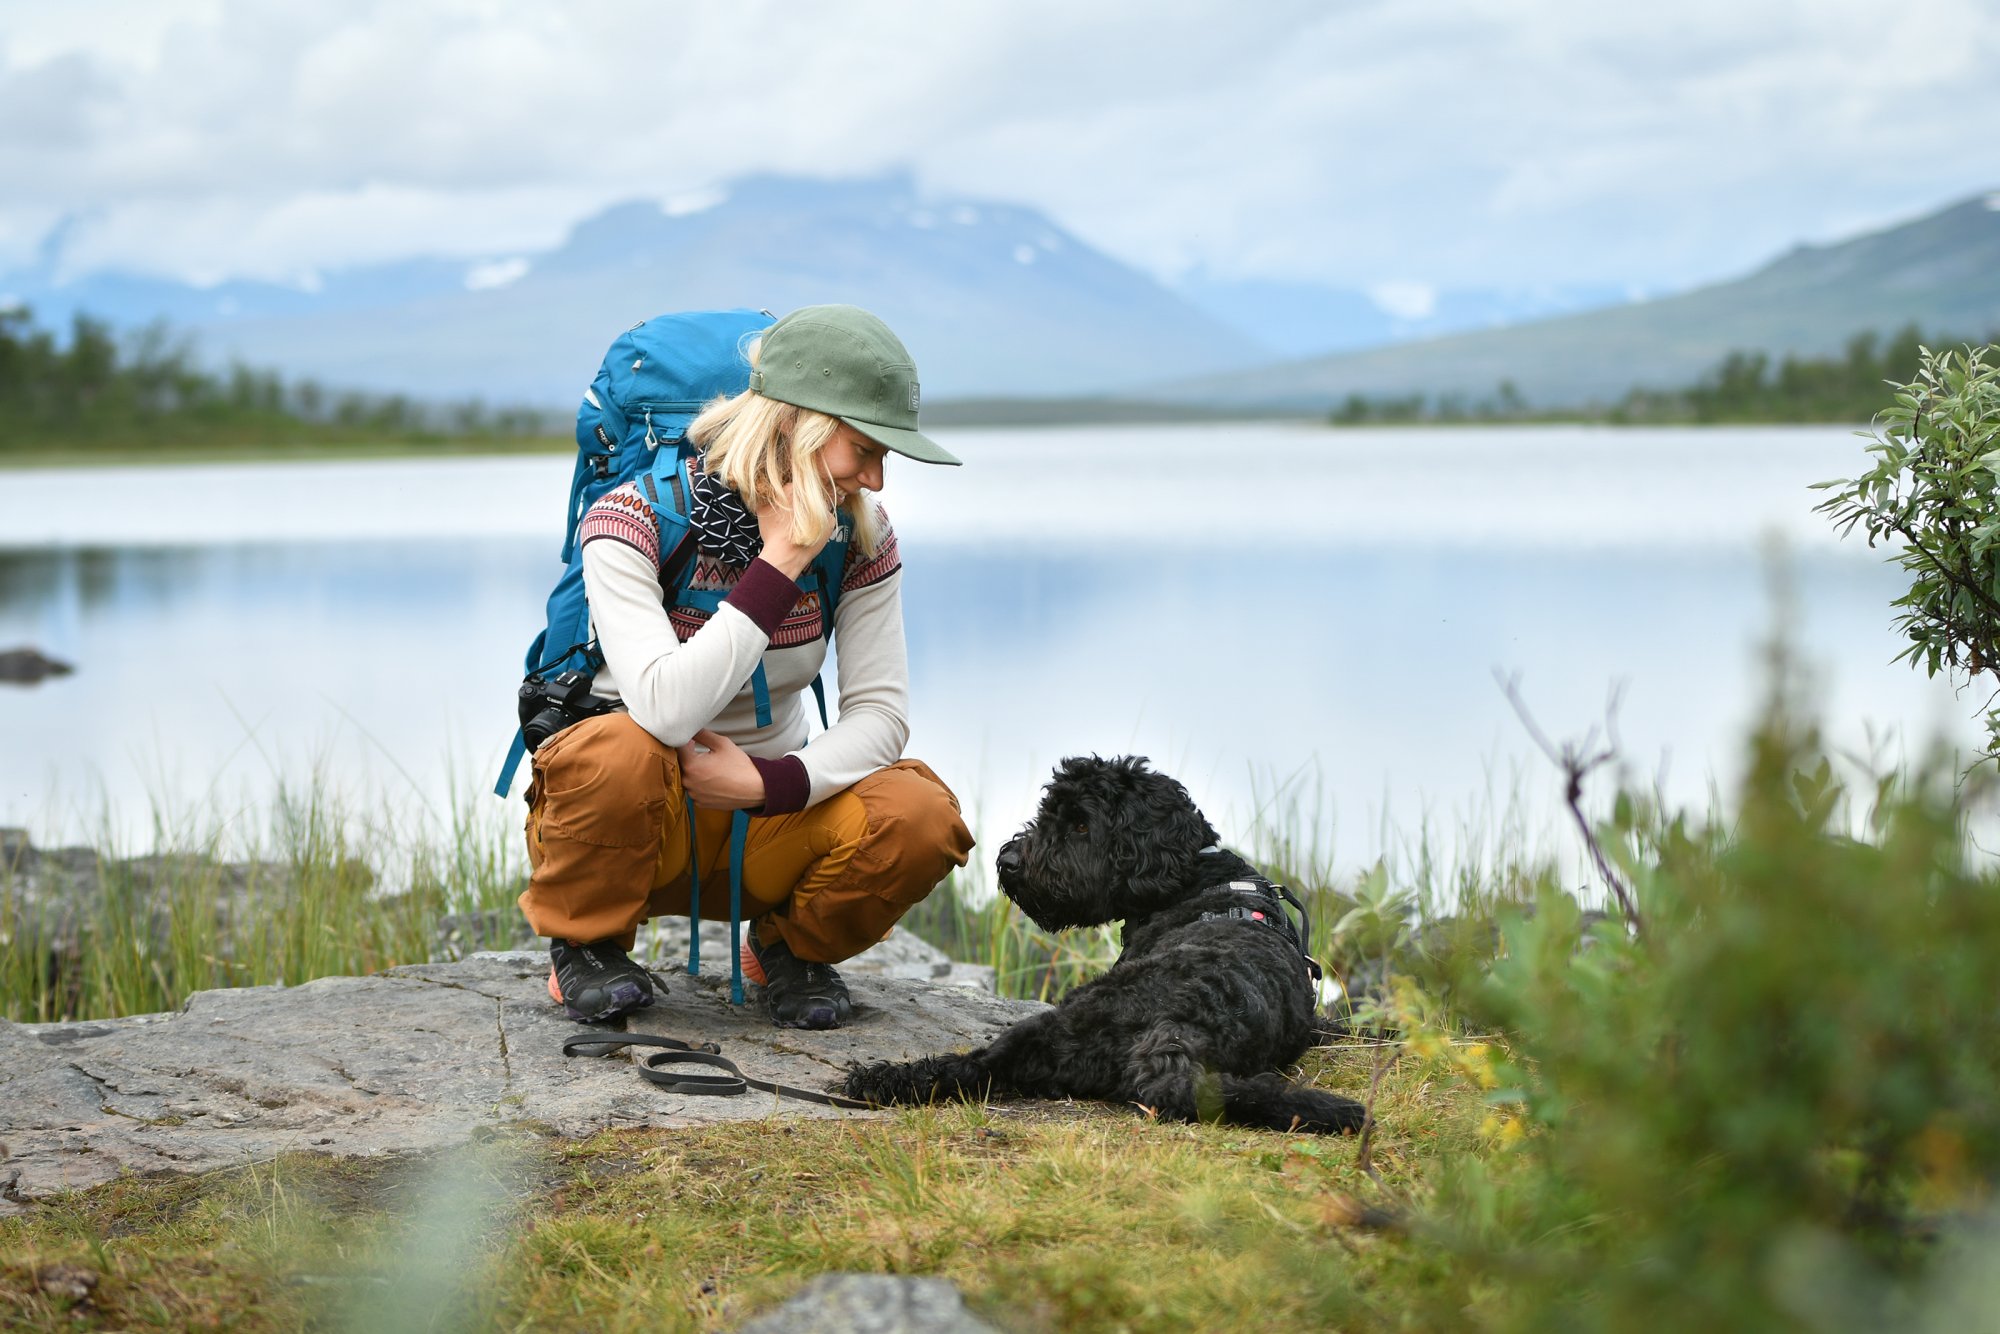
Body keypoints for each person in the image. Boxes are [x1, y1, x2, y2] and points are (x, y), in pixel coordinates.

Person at [518, 305, 974, 1029]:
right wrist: (781, 562)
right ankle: (588, 942)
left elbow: (881, 718)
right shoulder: (629, 521)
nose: (879, 480)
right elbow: (667, 711)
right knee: (615, 751)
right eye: (864, 449)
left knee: (919, 815)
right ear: (797, 427)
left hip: (769, 821)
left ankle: (787, 947)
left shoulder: (861, 539)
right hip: (638, 820)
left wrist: (768, 783)